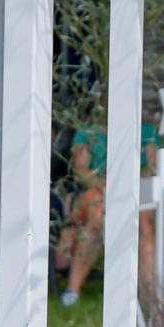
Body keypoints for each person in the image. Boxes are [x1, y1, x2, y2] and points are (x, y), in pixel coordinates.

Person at [54, 128, 110, 306]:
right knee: (96, 212)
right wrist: (106, 187)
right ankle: (73, 290)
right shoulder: (86, 133)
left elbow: (150, 169)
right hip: (92, 195)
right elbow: (81, 171)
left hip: (132, 199)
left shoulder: (145, 131)